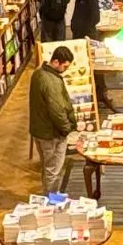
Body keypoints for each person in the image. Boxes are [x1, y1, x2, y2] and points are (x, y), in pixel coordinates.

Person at [29, 45, 76, 195]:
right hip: (51, 134)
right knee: (54, 170)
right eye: (65, 66)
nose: (65, 70)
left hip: (39, 130)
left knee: (47, 168)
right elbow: (57, 110)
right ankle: (52, 202)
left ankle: (48, 197)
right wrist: (67, 128)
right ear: (56, 62)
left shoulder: (38, 73)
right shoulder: (51, 82)